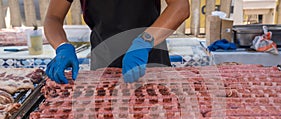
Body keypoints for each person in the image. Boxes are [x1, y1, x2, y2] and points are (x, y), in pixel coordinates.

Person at [44, 0, 190, 84]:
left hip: (149, 58)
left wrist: (144, 43)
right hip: (104, 61)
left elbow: (180, 7)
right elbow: (53, 17)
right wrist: (62, 47)